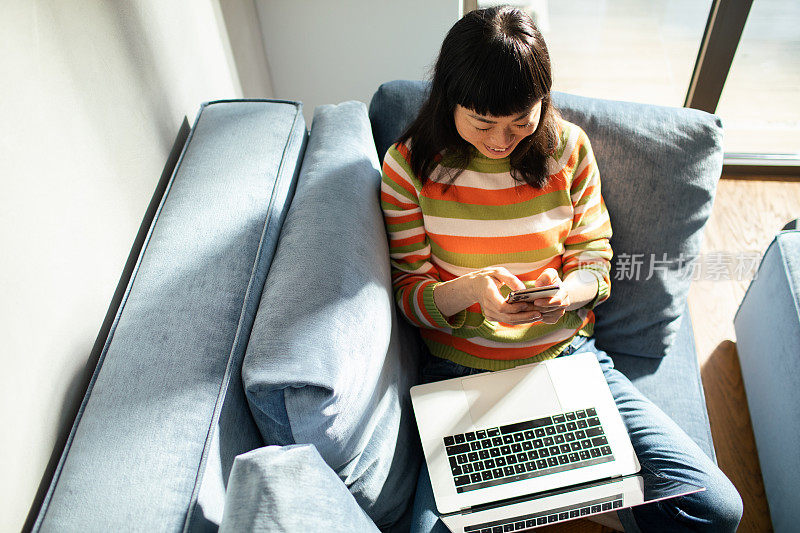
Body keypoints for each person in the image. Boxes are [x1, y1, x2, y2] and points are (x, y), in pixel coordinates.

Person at [379, 6, 742, 532]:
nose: (503, 142)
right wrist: (471, 292)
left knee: (716, 510)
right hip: (461, 376)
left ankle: (572, 489)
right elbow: (410, 293)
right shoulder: (409, 167)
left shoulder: (567, 149)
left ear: (542, 101)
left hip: (567, 358)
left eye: (521, 120)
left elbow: (595, 258)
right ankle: (572, 486)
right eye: (483, 124)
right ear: (448, 101)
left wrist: (569, 292)